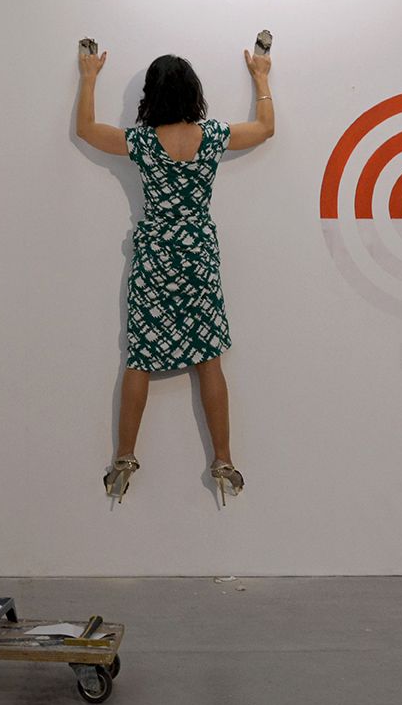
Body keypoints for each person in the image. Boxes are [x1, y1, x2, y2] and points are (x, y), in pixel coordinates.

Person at [75, 44, 275, 505]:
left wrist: (88, 77)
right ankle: (223, 459)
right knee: (209, 359)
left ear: (151, 95)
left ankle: (124, 456)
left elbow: (86, 130)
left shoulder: (143, 143)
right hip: (198, 254)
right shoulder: (212, 136)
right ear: (193, 93)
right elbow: (265, 128)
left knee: (140, 357)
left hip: (155, 256)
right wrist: (262, 77)